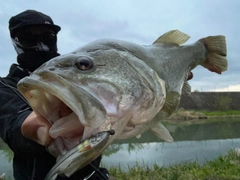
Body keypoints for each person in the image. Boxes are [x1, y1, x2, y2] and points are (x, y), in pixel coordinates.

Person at [0, 10, 109, 180]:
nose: (41, 45)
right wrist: (37, 128)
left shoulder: (77, 73)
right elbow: (14, 128)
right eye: (29, 38)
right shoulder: (5, 87)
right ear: (16, 42)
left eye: (48, 37)